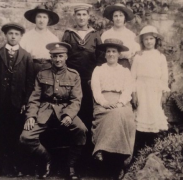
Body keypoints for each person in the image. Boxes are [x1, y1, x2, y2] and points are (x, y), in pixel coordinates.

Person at [20, 42, 87, 180]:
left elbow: (76, 100)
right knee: (26, 137)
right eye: (55, 56)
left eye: (61, 56)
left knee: (81, 130)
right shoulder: (42, 74)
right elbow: (35, 98)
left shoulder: (74, 75)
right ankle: (47, 160)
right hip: (44, 111)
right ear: (51, 57)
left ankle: (71, 165)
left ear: (66, 57)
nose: (58, 59)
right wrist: (31, 116)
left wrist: (69, 115)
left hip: (65, 110)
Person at [0, 23, 34, 178]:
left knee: (16, 135)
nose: (13, 36)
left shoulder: (26, 56)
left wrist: (25, 102)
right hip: (0, 102)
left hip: (17, 102)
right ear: (5, 36)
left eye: (16, 34)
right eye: (10, 33)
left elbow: (29, 82)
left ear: (20, 37)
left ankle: (15, 166)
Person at [91, 38, 135, 179]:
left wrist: (121, 103)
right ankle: (102, 151)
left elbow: (128, 89)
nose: (111, 54)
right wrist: (103, 102)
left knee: (121, 115)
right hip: (103, 102)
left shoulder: (125, 71)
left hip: (121, 102)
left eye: (114, 51)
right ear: (105, 54)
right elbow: (96, 90)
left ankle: (120, 161)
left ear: (118, 54)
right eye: (108, 51)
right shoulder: (98, 70)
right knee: (111, 115)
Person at [62, 4, 102, 129]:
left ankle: (88, 143)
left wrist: (95, 78)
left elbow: (100, 58)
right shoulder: (69, 34)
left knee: (88, 107)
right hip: (72, 79)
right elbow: (63, 56)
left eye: (84, 14)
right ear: (74, 16)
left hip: (89, 79)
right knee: (72, 106)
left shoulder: (95, 35)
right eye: (78, 14)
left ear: (88, 16)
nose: (81, 17)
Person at [131, 25, 170, 153]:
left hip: (155, 90)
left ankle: (153, 151)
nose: (149, 42)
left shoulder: (160, 56)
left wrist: (164, 93)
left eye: (151, 39)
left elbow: (164, 77)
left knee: (153, 116)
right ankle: (139, 151)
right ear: (142, 41)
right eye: (146, 39)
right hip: (141, 89)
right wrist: (134, 93)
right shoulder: (138, 56)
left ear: (156, 40)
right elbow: (133, 76)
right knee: (141, 117)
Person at [20, 5, 59, 76]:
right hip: (30, 68)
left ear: (48, 20)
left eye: (45, 17)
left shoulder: (53, 38)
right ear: (35, 19)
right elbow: (21, 57)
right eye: (39, 17)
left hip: (49, 69)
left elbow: (57, 57)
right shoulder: (26, 37)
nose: (41, 20)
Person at [101, 3, 140, 69]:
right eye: (115, 16)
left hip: (124, 66)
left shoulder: (130, 35)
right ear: (112, 18)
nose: (118, 18)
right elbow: (101, 53)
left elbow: (135, 53)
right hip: (108, 66)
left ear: (125, 18)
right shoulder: (106, 34)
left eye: (121, 15)